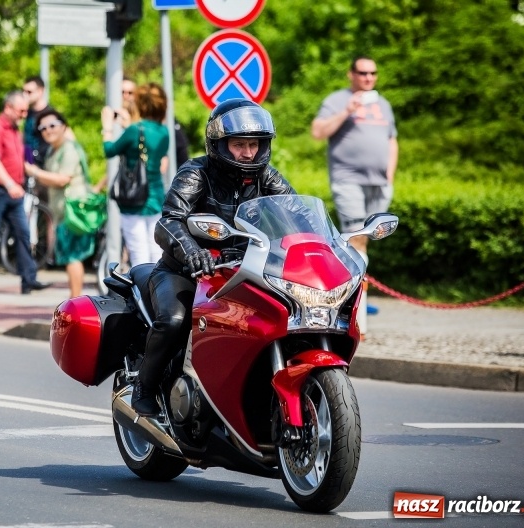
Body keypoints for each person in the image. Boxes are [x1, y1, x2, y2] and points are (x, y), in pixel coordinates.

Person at [131, 98, 295, 416]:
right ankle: (144, 387)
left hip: (244, 271)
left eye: (255, 144)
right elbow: (169, 221)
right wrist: (192, 251)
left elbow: (296, 213)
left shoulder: (267, 177)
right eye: (239, 144)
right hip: (185, 271)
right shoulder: (197, 173)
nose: (248, 152)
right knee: (175, 321)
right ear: (218, 144)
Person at [311, 55, 398, 319]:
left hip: (379, 183)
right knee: (355, 235)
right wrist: (347, 110)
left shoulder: (383, 104)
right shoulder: (337, 100)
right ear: (351, 74)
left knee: (366, 238)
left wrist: (390, 174)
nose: (368, 78)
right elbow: (317, 132)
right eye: (362, 73)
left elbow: (392, 138)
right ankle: (354, 300)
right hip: (348, 179)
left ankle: (358, 291)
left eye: (373, 73)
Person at [0, 90, 52, 295]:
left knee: (23, 233)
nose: (24, 115)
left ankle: (28, 279)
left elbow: (18, 160)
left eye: (26, 111)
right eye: (21, 110)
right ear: (8, 107)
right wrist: (9, 184)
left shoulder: (16, 130)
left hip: (15, 190)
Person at [25, 110, 95, 298]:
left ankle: (76, 302)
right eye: (43, 128)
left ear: (64, 126)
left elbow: (62, 179)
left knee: (73, 257)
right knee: (69, 258)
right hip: (62, 213)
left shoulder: (69, 149)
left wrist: (34, 172)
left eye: (52, 125)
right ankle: (75, 301)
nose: (48, 130)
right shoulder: (53, 150)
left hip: (74, 213)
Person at [100, 82, 169, 267]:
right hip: (155, 196)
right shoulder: (164, 132)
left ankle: (142, 294)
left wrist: (106, 127)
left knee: (138, 254)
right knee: (156, 252)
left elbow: (110, 150)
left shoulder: (134, 130)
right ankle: (157, 292)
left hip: (133, 197)